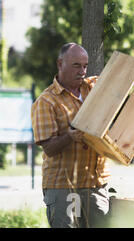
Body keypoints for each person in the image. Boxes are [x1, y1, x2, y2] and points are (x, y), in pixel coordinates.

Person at [31, 43, 110, 228]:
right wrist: (69, 137)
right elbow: (49, 149)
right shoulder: (46, 101)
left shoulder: (93, 88)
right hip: (62, 187)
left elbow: (120, 85)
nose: (82, 71)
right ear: (60, 64)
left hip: (96, 183)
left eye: (85, 66)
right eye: (76, 65)